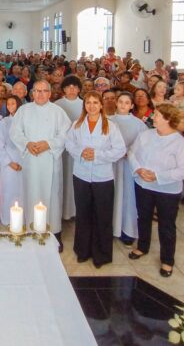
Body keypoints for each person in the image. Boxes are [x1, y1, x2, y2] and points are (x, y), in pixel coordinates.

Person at [127, 104, 184, 278]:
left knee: (166, 224)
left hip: (167, 189)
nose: (153, 117)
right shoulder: (146, 135)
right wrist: (139, 169)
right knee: (143, 217)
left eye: (156, 115)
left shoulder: (180, 143)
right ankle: (142, 246)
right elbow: (132, 153)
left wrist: (158, 176)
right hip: (143, 184)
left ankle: (167, 260)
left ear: (168, 119)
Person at [65, 91, 126, 268]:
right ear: (84, 105)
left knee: (102, 215)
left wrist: (97, 155)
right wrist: (81, 153)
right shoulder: (77, 124)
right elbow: (69, 143)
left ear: (101, 105)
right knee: (83, 214)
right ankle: (82, 251)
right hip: (81, 175)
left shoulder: (111, 126)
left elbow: (120, 149)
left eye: (95, 102)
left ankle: (102, 254)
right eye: (88, 103)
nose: (91, 106)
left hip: (103, 177)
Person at [10, 80, 71, 251]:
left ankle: (54, 233)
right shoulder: (24, 110)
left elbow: (65, 134)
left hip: (50, 159)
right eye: (37, 91)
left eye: (45, 91)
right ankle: (31, 230)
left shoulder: (58, 112)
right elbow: (15, 132)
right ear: (32, 93)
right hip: (31, 159)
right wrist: (27, 144)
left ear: (50, 93)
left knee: (52, 195)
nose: (41, 94)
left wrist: (48, 144)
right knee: (31, 192)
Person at [109, 92, 148, 246]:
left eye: (127, 102)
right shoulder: (108, 121)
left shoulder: (139, 124)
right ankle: (111, 227)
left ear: (132, 105)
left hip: (128, 165)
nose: (123, 105)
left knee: (128, 196)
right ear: (116, 103)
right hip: (111, 164)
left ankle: (127, 230)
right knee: (112, 194)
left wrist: (129, 151)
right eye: (120, 102)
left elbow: (144, 145)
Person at [54, 75, 84, 220]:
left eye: (75, 87)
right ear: (64, 89)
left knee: (75, 179)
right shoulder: (57, 105)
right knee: (62, 178)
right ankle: (61, 210)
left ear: (79, 89)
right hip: (62, 149)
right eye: (68, 87)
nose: (71, 90)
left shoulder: (85, 105)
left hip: (79, 148)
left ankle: (74, 211)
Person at [0, 95, 24, 227]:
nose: (10, 106)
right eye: (8, 104)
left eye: (13, 103)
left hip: (24, 160)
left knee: (23, 190)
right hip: (9, 162)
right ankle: (7, 218)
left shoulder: (25, 121)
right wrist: (9, 162)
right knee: (8, 190)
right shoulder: (4, 122)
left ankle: (23, 218)